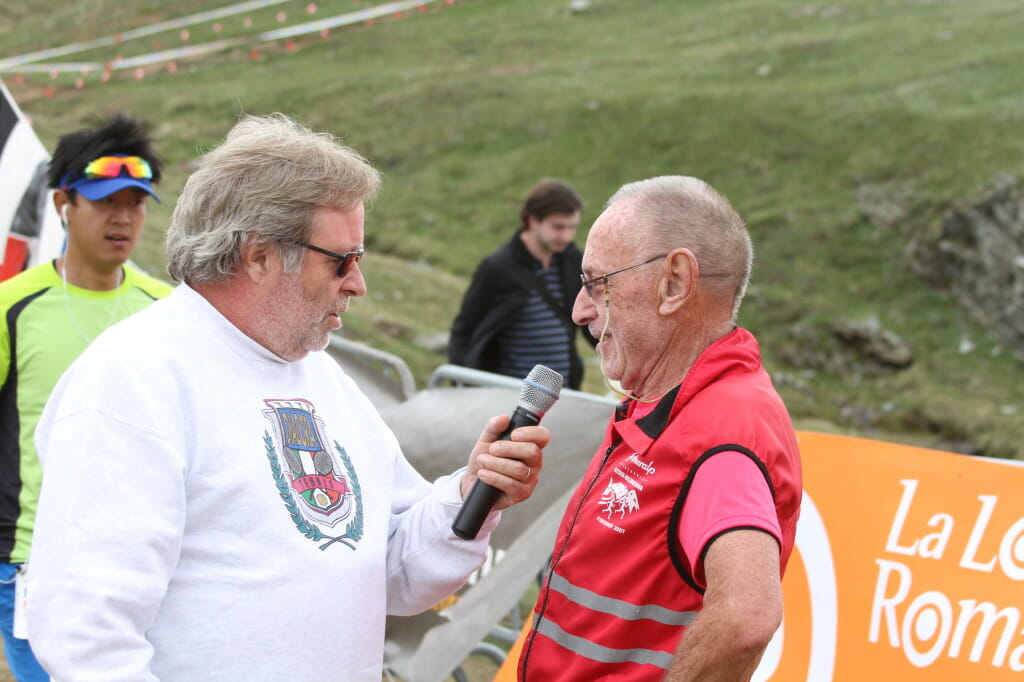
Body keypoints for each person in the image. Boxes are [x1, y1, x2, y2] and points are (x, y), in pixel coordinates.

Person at [26, 114, 550, 681]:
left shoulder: (321, 378)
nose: (358, 283)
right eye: (341, 259)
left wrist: (469, 497)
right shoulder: (134, 377)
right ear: (258, 255)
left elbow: (391, 566)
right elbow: (88, 635)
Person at [517, 176, 803, 681]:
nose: (580, 310)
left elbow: (746, 618)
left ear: (674, 283)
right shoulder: (676, 405)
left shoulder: (722, 427)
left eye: (596, 283)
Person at [0, 113, 170, 681]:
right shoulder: (12, 306)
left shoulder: (167, 311)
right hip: (33, 560)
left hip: (142, 558)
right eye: (104, 201)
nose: (123, 217)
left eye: (136, 202)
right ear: (62, 205)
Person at [448, 179, 595, 389]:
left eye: (572, 227)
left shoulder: (573, 261)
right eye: (558, 227)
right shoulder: (498, 267)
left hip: (564, 395)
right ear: (533, 221)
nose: (567, 236)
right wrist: (461, 384)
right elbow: (464, 330)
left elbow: (589, 320)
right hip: (508, 396)